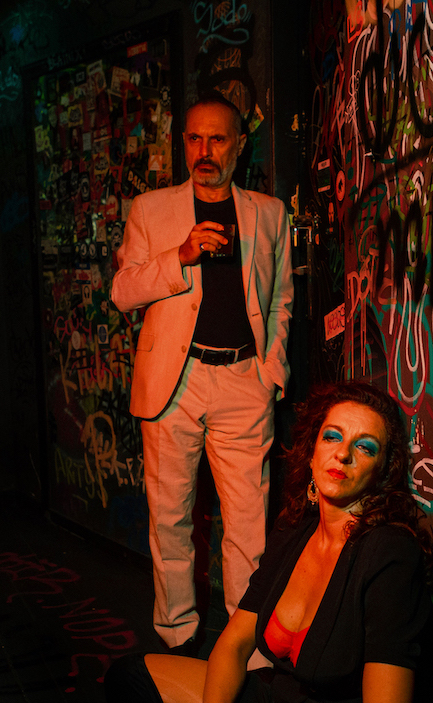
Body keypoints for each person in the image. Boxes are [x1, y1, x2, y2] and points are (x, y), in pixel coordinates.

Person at [105, 382, 433, 703]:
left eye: (365, 447)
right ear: (312, 451)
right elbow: (233, 644)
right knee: (130, 680)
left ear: (382, 471)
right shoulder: (295, 528)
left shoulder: (389, 552)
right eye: (332, 437)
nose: (343, 454)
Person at [110, 92, 294, 654]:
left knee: (248, 525)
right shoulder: (151, 210)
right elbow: (123, 292)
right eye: (194, 138)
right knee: (169, 519)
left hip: (244, 381)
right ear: (183, 142)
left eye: (217, 139)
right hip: (175, 382)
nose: (204, 151)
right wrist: (181, 256)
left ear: (239, 145)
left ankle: (244, 641)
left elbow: (281, 299)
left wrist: (271, 369)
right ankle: (178, 633)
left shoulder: (269, 213)